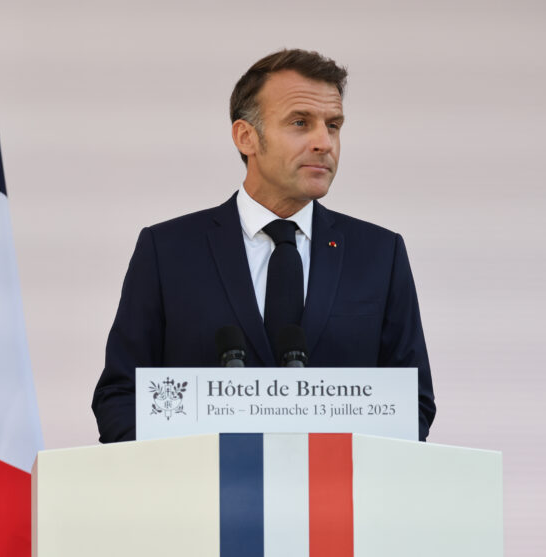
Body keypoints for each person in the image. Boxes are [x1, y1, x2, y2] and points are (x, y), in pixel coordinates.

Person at [93, 49, 435, 441]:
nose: (324, 142)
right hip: (204, 481)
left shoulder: (380, 255)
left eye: (333, 125)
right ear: (246, 137)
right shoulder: (167, 251)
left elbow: (413, 405)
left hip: (334, 481)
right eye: (300, 122)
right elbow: (120, 398)